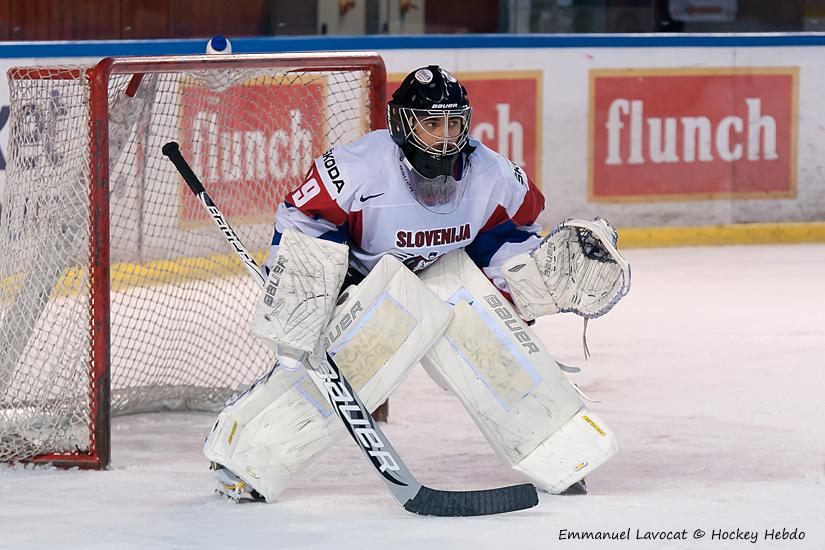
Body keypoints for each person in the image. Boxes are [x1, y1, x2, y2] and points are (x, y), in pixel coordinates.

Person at [202, 66, 631, 503]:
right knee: (353, 359)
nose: (445, 136)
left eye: (454, 123)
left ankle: (559, 451)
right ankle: (246, 459)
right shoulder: (358, 168)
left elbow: (510, 232)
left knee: (491, 344)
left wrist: (526, 281)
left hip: (446, 275)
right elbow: (305, 218)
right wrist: (307, 291)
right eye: (431, 123)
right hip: (363, 284)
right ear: (403, 123)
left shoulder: (493, 174)